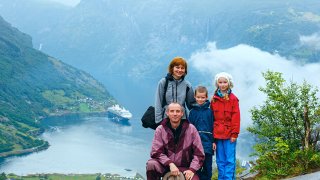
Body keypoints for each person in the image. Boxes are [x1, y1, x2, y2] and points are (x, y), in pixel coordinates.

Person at [146, 103, 205, 180]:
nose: (175, 114)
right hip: (165, 166)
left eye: (177, 111)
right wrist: (170, 163)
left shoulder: (191, 129)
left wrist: (192, 170)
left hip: (185, 167)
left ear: (182, 113)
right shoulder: (160, 129)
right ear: (167, 113)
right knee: (151, 164)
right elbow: (156, 152)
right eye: (172, 111)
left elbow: (199, 154)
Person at [210, 72, 240, 180]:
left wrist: (234, 134)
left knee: (229, 160)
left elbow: (236, 118)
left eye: (225, 82)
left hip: (229, 135)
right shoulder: (214, 99)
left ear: (229, 83)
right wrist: (212, 138)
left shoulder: (233, 99)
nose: (222, 84)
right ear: (217, 83)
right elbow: (211, 119)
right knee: (220, 160)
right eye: (220, 82)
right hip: (217, 135)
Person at [155, 57, 196, 125]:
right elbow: (158, 102)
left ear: (185, 70)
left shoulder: (187, 85)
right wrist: (159, 121)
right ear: (172, 68)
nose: (180, 70)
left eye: (182, 68)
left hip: (182, 119)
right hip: (166, 119)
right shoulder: (163, 82)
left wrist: (202, 108)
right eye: (177, 67)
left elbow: (191, 105)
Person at [188, 86, 215, 180]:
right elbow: (189, 130)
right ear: (195, 97)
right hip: (195, 146)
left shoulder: (210, 112)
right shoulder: (192, 112)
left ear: (206, 97)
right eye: (198, 97)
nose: (200, 99)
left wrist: (213, 141)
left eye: (203, 97)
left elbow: (213, 127)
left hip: (207, 145)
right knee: (197, 168)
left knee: (208, 169)